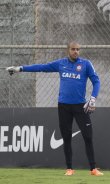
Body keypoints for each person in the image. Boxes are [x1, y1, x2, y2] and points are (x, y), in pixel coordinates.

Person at [6, 42, 104, 176]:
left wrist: (93, 98)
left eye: (78, 49)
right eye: (73, 49)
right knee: (66, 137)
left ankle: (93, 169)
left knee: (88, 136)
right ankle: (69, 169)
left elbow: (96, 81)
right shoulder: (61, 63)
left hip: (81, 106)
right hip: (63, 106)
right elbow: (41, 67)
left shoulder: (86, 64)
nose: (76, 51)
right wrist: (20, 68)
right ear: (68, 50)